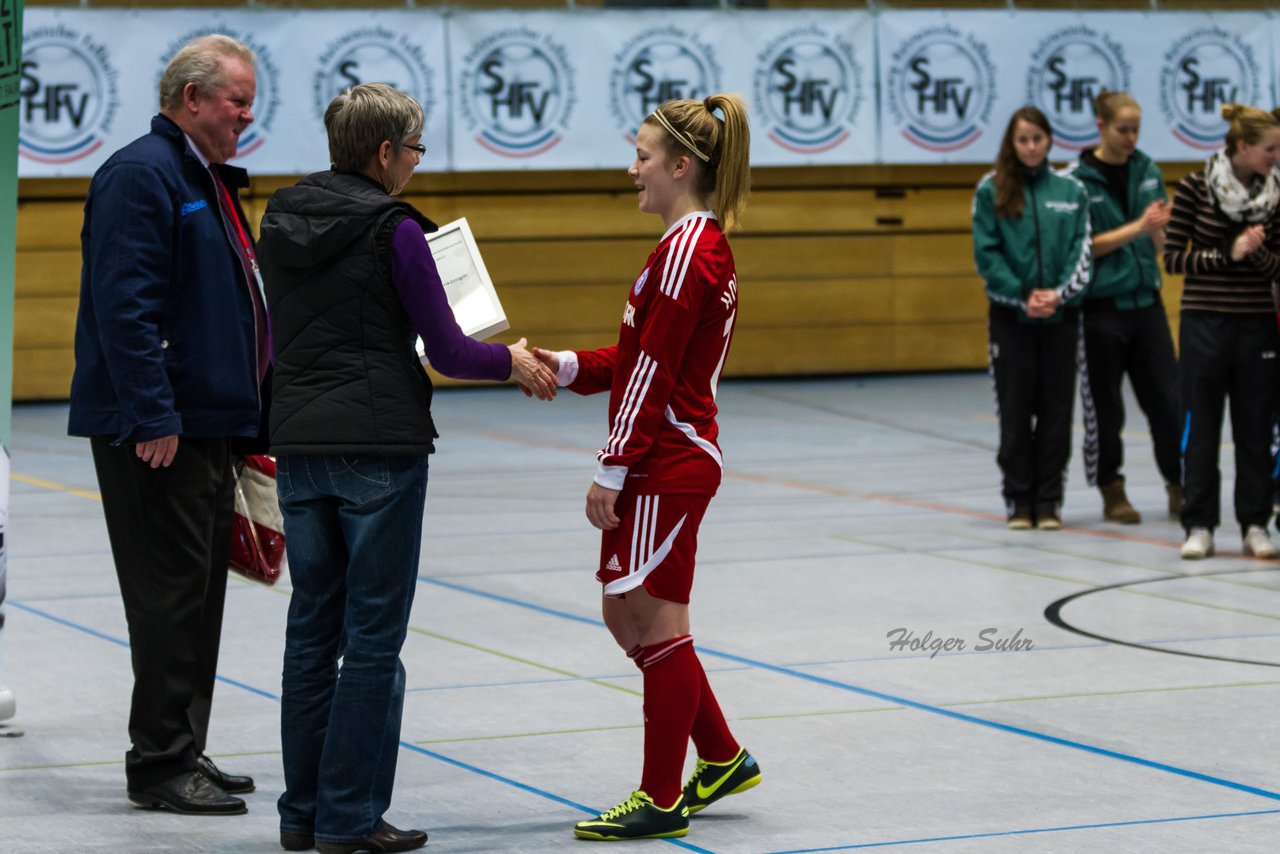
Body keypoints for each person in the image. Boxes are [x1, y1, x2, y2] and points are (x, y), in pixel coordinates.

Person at [256, 82, 557, 854]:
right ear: (385, 151)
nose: (416, 165)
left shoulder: (280, 217)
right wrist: (514, 361)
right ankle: (349, 819)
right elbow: (452, 350)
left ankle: (302, 814)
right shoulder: (396, 230)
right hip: (379, 448)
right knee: (373, 640)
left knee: (310, 633)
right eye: (415, 150)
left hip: (297, 443)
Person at [532, 94, 760, 842]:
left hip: (668, 457)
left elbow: (654, 373)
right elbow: (636, 358)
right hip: (664, 452)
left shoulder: (688, 252)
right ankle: (720, 756)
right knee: (624, 610)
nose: (632, 169)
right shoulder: (686, 247)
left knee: (653, 617)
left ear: (680, 166)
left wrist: (612, 467)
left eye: (642, 156)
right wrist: (563, 365)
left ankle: (662, 797)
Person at [67, 34, 267, 816]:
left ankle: (183, 745)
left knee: (198, 593)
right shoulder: (140, 175)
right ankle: (158, 763)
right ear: (192, 98)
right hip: (158, 427)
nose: (248, 115)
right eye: (237, 101)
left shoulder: (203, 176)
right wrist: (152, 412)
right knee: (168, 597)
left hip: (206, 422)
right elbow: (126, 307)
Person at [1164, 104, 1280, 560]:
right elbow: (1174, 259)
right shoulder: (1195, 187)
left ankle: (1255, 522)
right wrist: (1225, 254)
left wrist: (1255, 255)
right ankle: (1199, 524)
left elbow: (1277, 268)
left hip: (1255, 326)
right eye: (1269, 148)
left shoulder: (1276, 195)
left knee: (1255, 427)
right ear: (1242, 146)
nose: (1275, 156)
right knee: (1201, 427)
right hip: (1203, 324)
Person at [972, 107, 1093, 530]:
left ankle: (1049, 502)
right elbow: (987, 256)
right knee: (1015, 412)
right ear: (1011, 142)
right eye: (1022, 140)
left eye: (1037, 139)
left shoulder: (1071, 190)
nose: (1030, 147)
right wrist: (1024, 296)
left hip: (1061, 320)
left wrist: (1057, 295)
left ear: (1049, 141)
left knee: (1057, 413)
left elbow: (1083, 250)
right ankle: (1018, 501)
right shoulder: (991, 190)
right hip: (1011, 320)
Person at [1064, 91, 1181, 524]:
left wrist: (1163, 237)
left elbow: (1159, 243)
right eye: (1122, 130)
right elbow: (1082, 248)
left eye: (1136, 130)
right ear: (1100, 125)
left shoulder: (1148, 170)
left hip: (1145, 303)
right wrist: (1138, 227)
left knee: (1169, 400)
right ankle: (1111, 488)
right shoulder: (1075, 181)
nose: (1131, 138)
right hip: (1100, 308)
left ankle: (1179, 483)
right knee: (1105, 407)